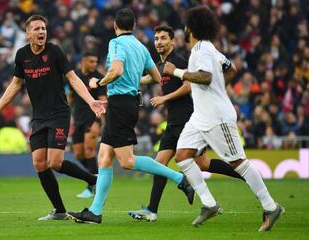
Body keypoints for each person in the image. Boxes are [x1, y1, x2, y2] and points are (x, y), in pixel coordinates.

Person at [67, 8, 194, 224]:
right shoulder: (141, 46)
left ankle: (179, 179)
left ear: (115, 26)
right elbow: (156, 76)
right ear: (133, 26)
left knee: (126, 161)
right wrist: (133, 81)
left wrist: (98, 82)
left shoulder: (116, 43)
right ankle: (95, 212)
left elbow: (116, 70)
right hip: (126, 103)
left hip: (121, 105)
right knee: (104, 157)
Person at [163, 6, 284, 231]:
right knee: (182, 156)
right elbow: (232, 69)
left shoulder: (201, 50)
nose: (185, 29)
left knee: (239, 163)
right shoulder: (208, 49)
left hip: (217, 117)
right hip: (200, 117)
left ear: (192, 28)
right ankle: (209, 204)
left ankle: (271, 206)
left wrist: (176, 72)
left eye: (187, 26)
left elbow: (206, 77)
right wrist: (219, 89)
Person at [0, 15, 106, 221]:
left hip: (59, 114)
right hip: (39, 117)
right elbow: (15, 85)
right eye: (36, 29)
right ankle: (60, 211)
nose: (41, 32)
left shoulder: (55, 51)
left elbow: (72, 78)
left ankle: (94, 179)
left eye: (43, 28)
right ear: (28, 34)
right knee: (39, 164)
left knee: (55, 162)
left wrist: (91, 101)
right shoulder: (22, 55)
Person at [128, 25, 245, 222]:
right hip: (172, 123)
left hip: (187, 121)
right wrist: (131, 80)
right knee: (160, 164)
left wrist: (165, 99)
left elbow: (188, 85)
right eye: (156, 38)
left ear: (173, 41)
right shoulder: (161, 63)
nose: (159, 42)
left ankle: (246, 175)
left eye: (164, 38)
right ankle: (151, 210)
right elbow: (151, 77)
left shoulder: (179, 61)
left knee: (203, 164)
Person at [68, 51, 107, 198]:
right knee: (79, 154)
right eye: (91, 61)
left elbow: (103, 100)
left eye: (96, 61)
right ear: (83, 61)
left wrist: (102, 121)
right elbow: (71, 96)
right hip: (78, 119)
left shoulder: (99, 79)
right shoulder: (74, 76)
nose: (94, 64)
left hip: (93, 119)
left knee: (89, 150)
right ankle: (95, 179)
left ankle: (93, 186)